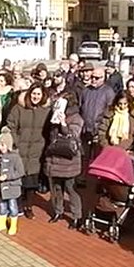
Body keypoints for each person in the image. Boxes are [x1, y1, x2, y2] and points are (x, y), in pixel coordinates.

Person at [6, 82, 51, 219]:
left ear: (43, 95)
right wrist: (14, 142)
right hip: (20, 148)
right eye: (33, 93)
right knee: (18, 180)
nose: (35, 96)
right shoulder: (18, 109)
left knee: (31, 182)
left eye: (38, 94)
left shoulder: (47, 111)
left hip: (37, 150)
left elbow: (50, 130)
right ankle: (16, 205)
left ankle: (28, 206)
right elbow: (11, 125)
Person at [44, 90, 84, 229]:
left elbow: (73, 135)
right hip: (54, 156)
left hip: (68, 159)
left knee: (70, 188)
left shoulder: (76, 118)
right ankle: (57, 211)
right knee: (56, 188)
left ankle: (76, 216)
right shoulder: (54, 114)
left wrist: (63, 124)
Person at [0, 128, 25, 236]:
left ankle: (13, 224)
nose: (1, 148)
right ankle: (1, 223)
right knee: (2, 206)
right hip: (1, 187)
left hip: (12, 187)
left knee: (12, 206)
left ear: (8, 145)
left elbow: (20, 172)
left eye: (3, 145)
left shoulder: (15, 157)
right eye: (0, 145)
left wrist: (7, 176)